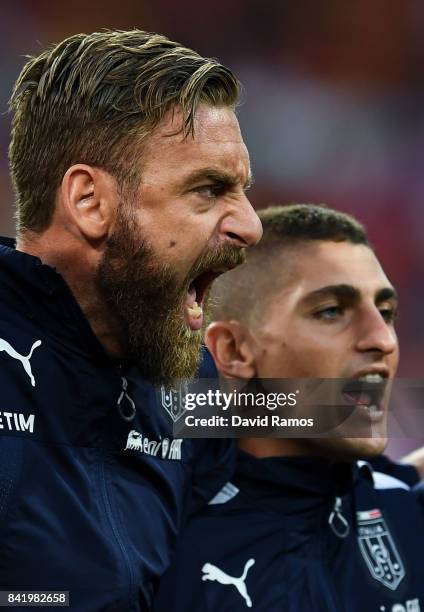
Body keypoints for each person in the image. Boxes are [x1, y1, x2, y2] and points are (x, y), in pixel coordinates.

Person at [0, 29, 262, 610]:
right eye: (209, 190)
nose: (251, 225)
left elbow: (311, 413)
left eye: (242, 190)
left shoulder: (187, 380)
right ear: (90, 202)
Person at [155, 205, 424, 612]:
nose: (382, 340)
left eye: (385, 313)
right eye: (331, 311)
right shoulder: (154, 541)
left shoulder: (405, 510)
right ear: (234, 350)